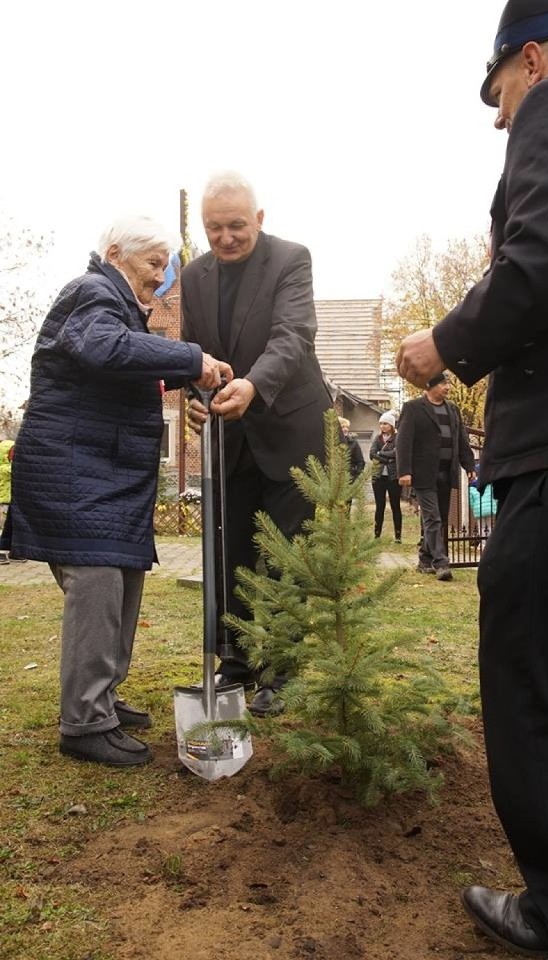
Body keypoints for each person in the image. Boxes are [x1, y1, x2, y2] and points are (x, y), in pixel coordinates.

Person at [396, 1, 548, 957]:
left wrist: (445, 342)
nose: (500, 118)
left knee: (536, 684)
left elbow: (543, 265)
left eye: (498, 94)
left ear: (531, 61)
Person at [0, 217, 227, 767]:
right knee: (98, 583)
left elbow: (126, 360)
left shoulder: (119, 306)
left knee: (122, 578)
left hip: (106, 477)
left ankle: (100, 696)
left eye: (166, 266)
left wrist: (190, 378)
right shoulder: (92, 292)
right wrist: (192, 357)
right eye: (153, 264)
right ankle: (83, 721)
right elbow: (105, 350)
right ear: (116, 253)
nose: (162, 276)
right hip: (76, 476)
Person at [182, 171, 333, 717]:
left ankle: (284, 668)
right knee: (233, 550)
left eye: (237, 226)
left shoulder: (292, 260)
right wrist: (195, 394)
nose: (226, 238)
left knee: (287, 553)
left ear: (260, 219)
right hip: (228, 431)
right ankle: (238, 660)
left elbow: (293, 336)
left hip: (288, 425)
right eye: (215, 228)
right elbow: (192, 350)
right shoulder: (195, 277)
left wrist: (254, 385)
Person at [396, 373, 475, 581]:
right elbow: (403, 441)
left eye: (448, 383)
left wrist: (468, 465)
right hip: (423, 474)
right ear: (430, 385)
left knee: (437, 518)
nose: (447, 387)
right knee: (433, 517)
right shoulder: (413, 408)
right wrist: (404, 471)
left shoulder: (452, 409)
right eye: (443, 383)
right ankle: (441, 563)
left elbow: (461, 439)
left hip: (446, 472)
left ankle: (424, 560)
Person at [369, 411, 402, 543]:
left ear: (391, 425)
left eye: (385, 423)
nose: (382, 426)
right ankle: (377, 535)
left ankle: (398, 536)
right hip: (378, 477)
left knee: (395, 506)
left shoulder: (397, 438)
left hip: (393, 477)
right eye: (381, 423)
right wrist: (387, 459)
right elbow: (371, 454)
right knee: (379, 506)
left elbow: (397, 453)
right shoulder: (377, 439)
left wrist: (381, 453)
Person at [338, 416, 365, 481]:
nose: (345, 429)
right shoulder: (331, 442)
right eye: (342, 427)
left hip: (349, 478)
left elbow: (360, 462)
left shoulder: (353, 443)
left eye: (347, 427)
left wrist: (355, 476)